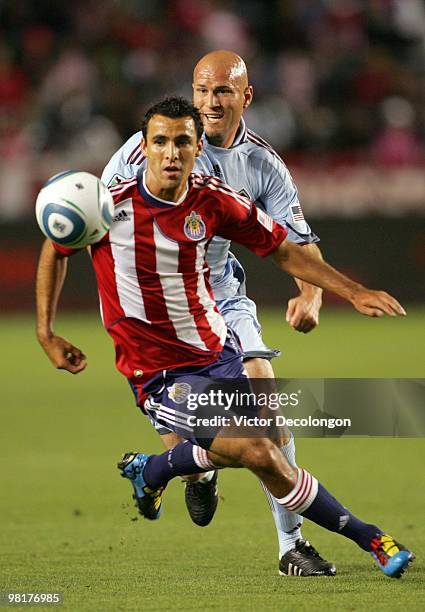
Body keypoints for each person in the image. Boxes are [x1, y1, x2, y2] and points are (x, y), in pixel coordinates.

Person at [36, 96, 413, 580]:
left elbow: (282, 251)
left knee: (272, 440)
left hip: (218, 353)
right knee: (257, 453)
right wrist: (46, 332)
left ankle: (152, 470)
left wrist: (351, 291)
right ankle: (374, 539)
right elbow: (57, 246)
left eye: (182, 143)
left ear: (198, 149)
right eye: (160, 142)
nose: (171, 153)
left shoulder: (214, 201)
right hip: (158, 372)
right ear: (143, 148)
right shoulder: (108, 205)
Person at [101, 50, 329, 577]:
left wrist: (311, 293)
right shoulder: (149, 147)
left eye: (222, 92)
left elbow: (296, 240)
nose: (209, 102)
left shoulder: (264, 166)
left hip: (221, 295)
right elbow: (101, 217)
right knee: (198, 445)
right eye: (202, 91)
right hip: (159, 310)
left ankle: (290, 545)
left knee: (267, 405)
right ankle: (187, 472)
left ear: (245, 97)